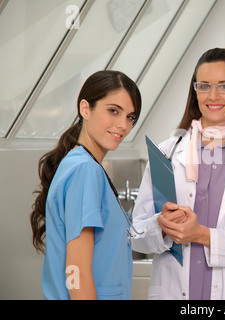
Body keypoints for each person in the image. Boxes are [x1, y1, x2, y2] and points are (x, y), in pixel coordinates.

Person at [132, 48, 225, 300]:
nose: (213, 96)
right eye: (204, 86)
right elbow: (136, 235)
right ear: (195, 91)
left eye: (224, 86)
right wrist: (162, 228)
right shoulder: (165, 155)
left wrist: (201, 235)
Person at [30, 70, 142, 300]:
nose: (123, 125)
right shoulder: (85, 170)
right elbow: (77, 271)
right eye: (113, 111)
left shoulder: (81, 163)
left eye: (130, 117)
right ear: (85, 109)